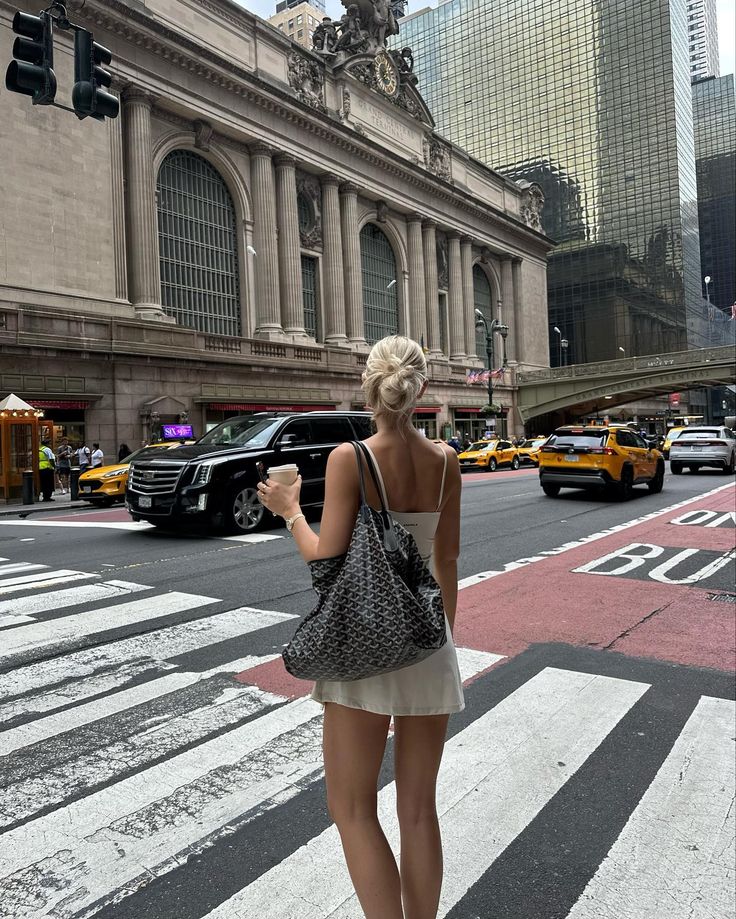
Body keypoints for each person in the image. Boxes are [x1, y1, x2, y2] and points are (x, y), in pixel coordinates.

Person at [258, 335, 462, 919]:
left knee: (352, 807)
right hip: (430, 643)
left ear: (367, 385)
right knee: (419, 808)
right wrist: (435, 640)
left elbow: (327, 562)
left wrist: (290, 509)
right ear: (420, 387)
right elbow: (445, 563)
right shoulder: (447, 462)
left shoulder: (350, 460)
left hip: (365, 643)